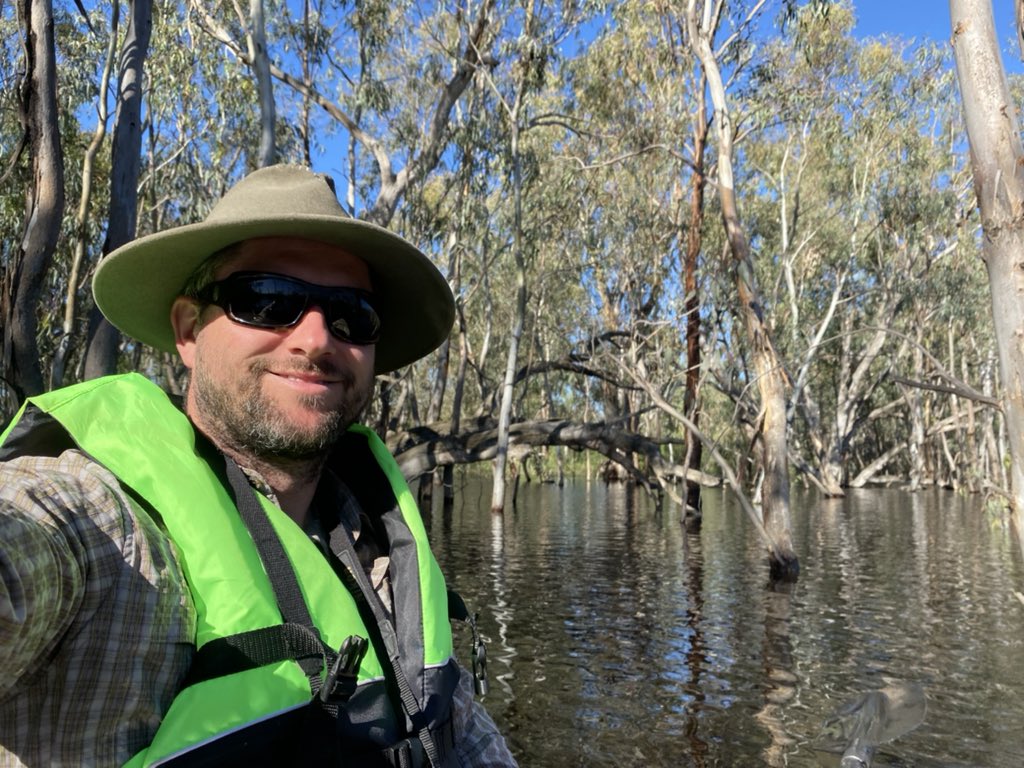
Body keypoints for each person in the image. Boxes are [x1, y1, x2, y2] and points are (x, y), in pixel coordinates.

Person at [0, 164, 517, 767]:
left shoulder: (383, 558)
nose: (317, 339)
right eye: (267, 301)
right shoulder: (101, 523)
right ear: (189, 331)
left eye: (352, 314)